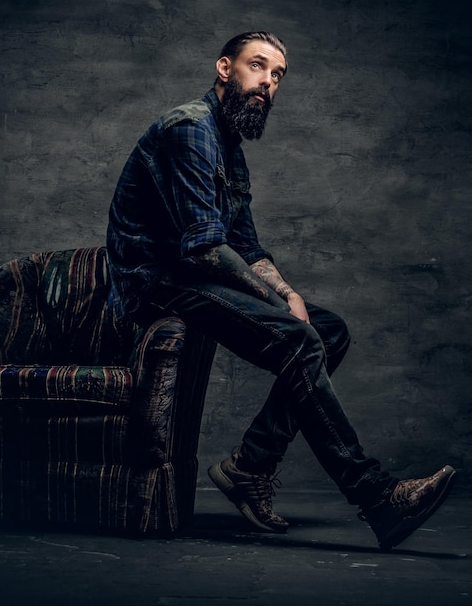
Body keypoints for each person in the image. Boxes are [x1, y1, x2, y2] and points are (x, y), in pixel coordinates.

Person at [106, 31, 456, 550]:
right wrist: (276, 304)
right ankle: (376, 497)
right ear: (225, 68)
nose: (268, 82)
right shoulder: (190, 129)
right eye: (258, 66)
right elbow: (203, 248)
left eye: (278, 76)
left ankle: (251, 467)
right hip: (156, 285)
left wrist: (288, 293)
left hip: (194, 278)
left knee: (327, 330)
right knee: (299, 339)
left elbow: (245, 245)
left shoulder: (230, 147)